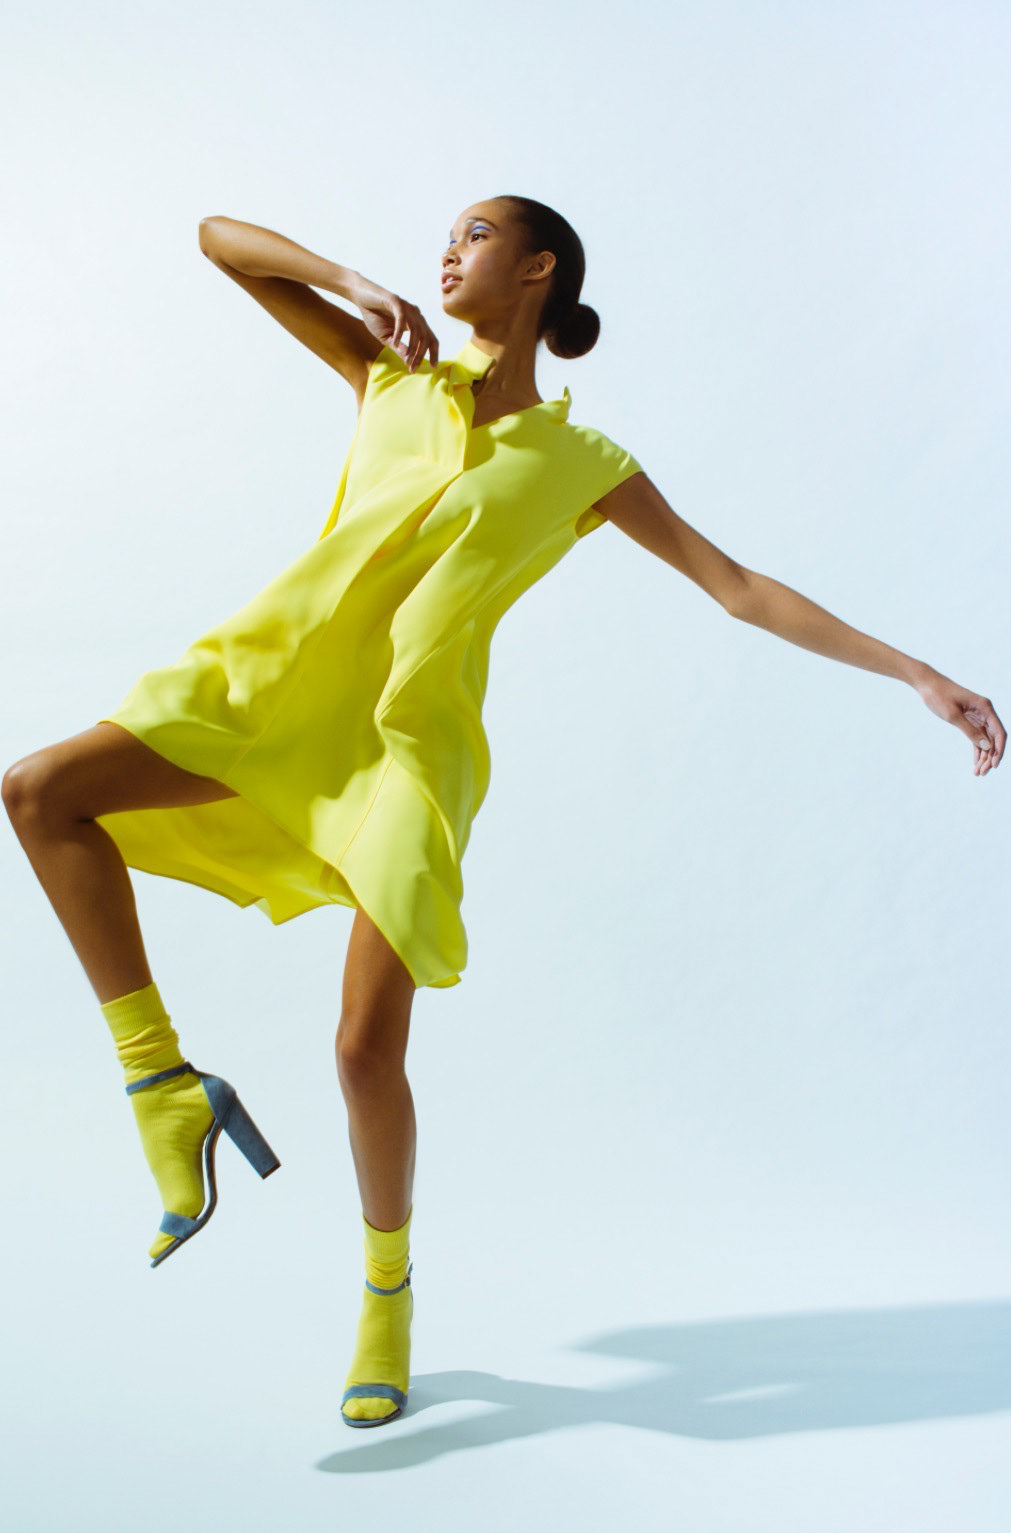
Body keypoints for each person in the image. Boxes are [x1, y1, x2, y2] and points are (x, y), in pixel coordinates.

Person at [3, 194, 1004, 1431]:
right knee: (39, 790)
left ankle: (386, 1292)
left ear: (538, 270)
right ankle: (164, 1088)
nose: (448, 249)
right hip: (265, 694)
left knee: (364, 1051)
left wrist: (917, 674)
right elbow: (218, 239)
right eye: (447, 235)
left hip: (406, 752)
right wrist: (354, 284)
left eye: (475, 234)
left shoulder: (583, 465)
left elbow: (738, 587)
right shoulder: (388, 377)